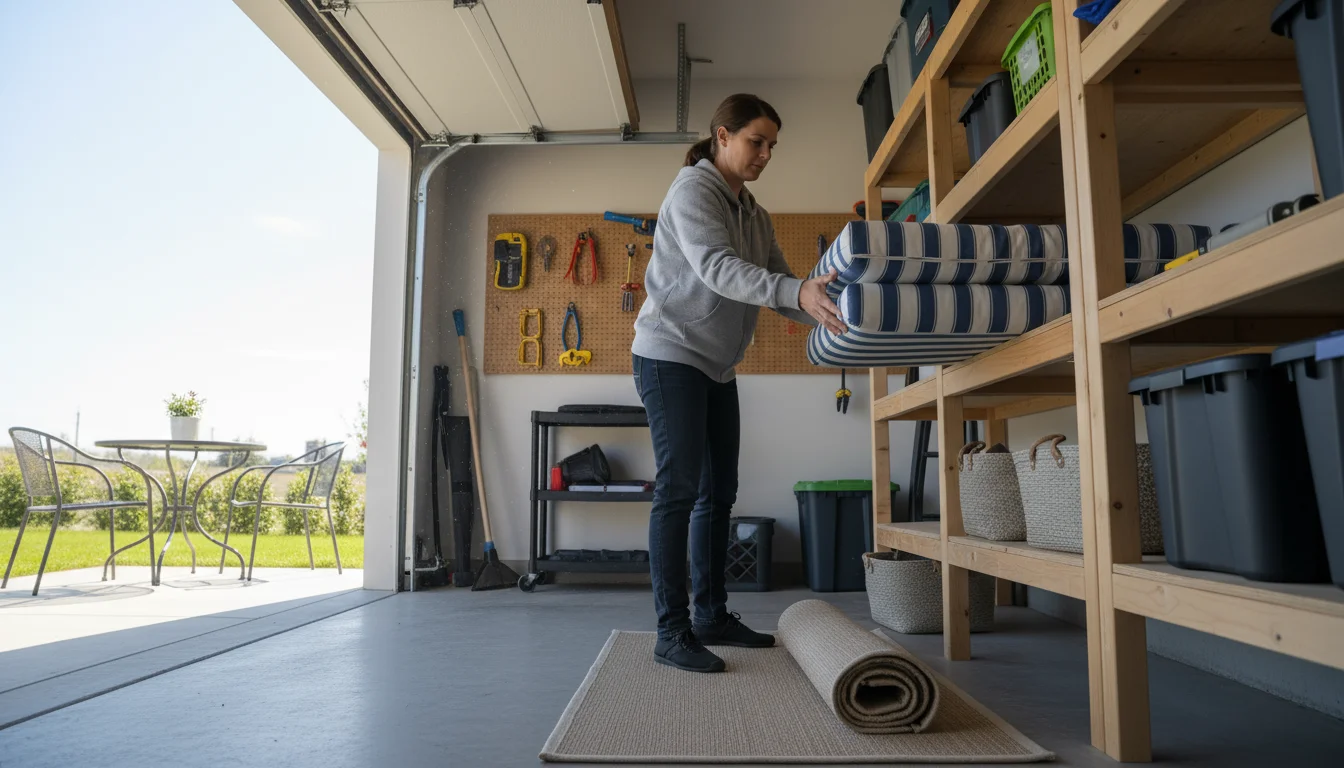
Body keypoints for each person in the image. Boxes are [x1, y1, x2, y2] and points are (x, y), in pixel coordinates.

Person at [631, 93, 847, 673]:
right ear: (722, 136)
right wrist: (795, 291)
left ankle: (710, 615)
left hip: (716, 366)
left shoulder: (754, 211)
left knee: (719, 491)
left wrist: (826, 304)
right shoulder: (693, 192)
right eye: (757, 141)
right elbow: (720, 270)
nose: (766, 153)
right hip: (669, 355)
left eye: (773, 144)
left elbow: (778, 283)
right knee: (679, 490)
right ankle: (671, 632)